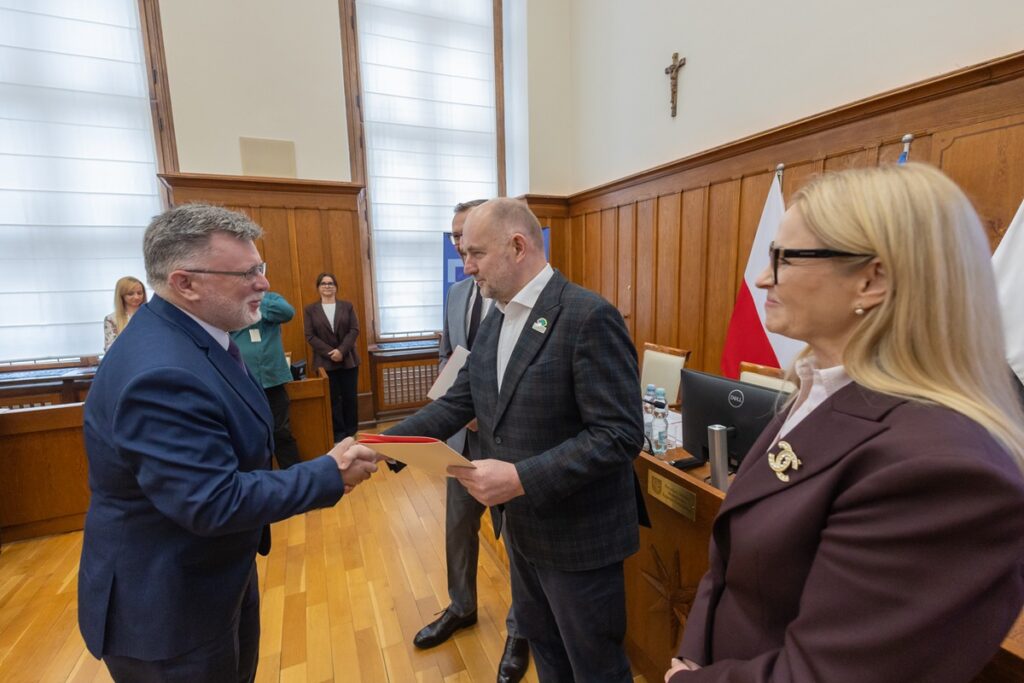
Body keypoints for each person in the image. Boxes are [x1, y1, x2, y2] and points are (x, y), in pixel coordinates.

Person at [666, 164, 1024, 683]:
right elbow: (729, 567)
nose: (762, 278)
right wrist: (696, 656)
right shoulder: (820, 388)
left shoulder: (942, 468)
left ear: (871, 280)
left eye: (783, 258)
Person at [78, 203, 378, 683]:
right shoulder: (161, 371)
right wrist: (328, 472)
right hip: (169, 613)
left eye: (261, 267)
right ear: (185, 283)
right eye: (246, 273)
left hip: (213, 580)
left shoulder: (197, 336)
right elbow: (212, 500)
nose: (263, 283)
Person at [354, 197, 647, 682]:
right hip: (522, 531)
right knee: (548, 654)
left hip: (578, 538)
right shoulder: (495, 320)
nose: (466, 266)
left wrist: (520, 477)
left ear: (517, 246)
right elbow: (456, 403)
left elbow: (619, 435)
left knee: (595, 669)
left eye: (475, 254)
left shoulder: (587, 316)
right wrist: (378, 444)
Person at [411, 199, 528, 683]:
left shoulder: (523, 298)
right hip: (461, 439)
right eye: (457, 238)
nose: (461, 249)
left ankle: (521, 630)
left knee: (518, 543)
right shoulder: (458, 293)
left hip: (510, 449)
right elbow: (449, 354)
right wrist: (452, 405)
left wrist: (486, 410)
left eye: (469, 240)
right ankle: (461, 606)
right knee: (458, 529)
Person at [231, 291, 301, 470]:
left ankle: (295, 476)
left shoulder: (271, 298)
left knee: (282, 432)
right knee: (251, 435)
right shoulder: (232, 299)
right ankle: (260, 480)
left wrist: (255, 299)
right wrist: (243, 298)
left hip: (273, 379)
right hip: (243, 382)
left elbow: (287, 312)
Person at [304, 273, 360, 441]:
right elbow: (310, 335)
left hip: (348, 359)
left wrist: (341, 351)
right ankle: (338, 435)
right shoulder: (310, 310)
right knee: (332, 399)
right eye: (323, 283)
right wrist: (331, 353)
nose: (327, 286)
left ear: (336, 287)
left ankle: (351, 432)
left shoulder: (347, 306)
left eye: (330, 283)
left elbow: (354, 330)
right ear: (318, 287)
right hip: (325, 362)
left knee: (350, 397)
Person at [103, 276, 147, 351]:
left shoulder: (152, 315)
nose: (136, 297)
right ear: (121, 295)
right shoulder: (111, 319)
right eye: (130, 294)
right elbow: (109, 349)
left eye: (139, 293)